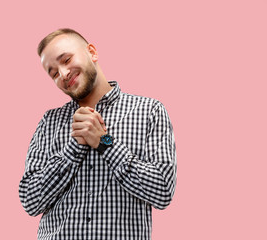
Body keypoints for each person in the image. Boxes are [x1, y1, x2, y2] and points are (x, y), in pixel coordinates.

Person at [19, 28, 177, 240]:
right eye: (54, 73)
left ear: (92, 52)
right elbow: (30, 200)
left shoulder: (150, 111)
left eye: (66, 59)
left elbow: (163, 191)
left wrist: (104, 142)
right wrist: (73, 149)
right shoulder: (49, 121)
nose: (63, 74)